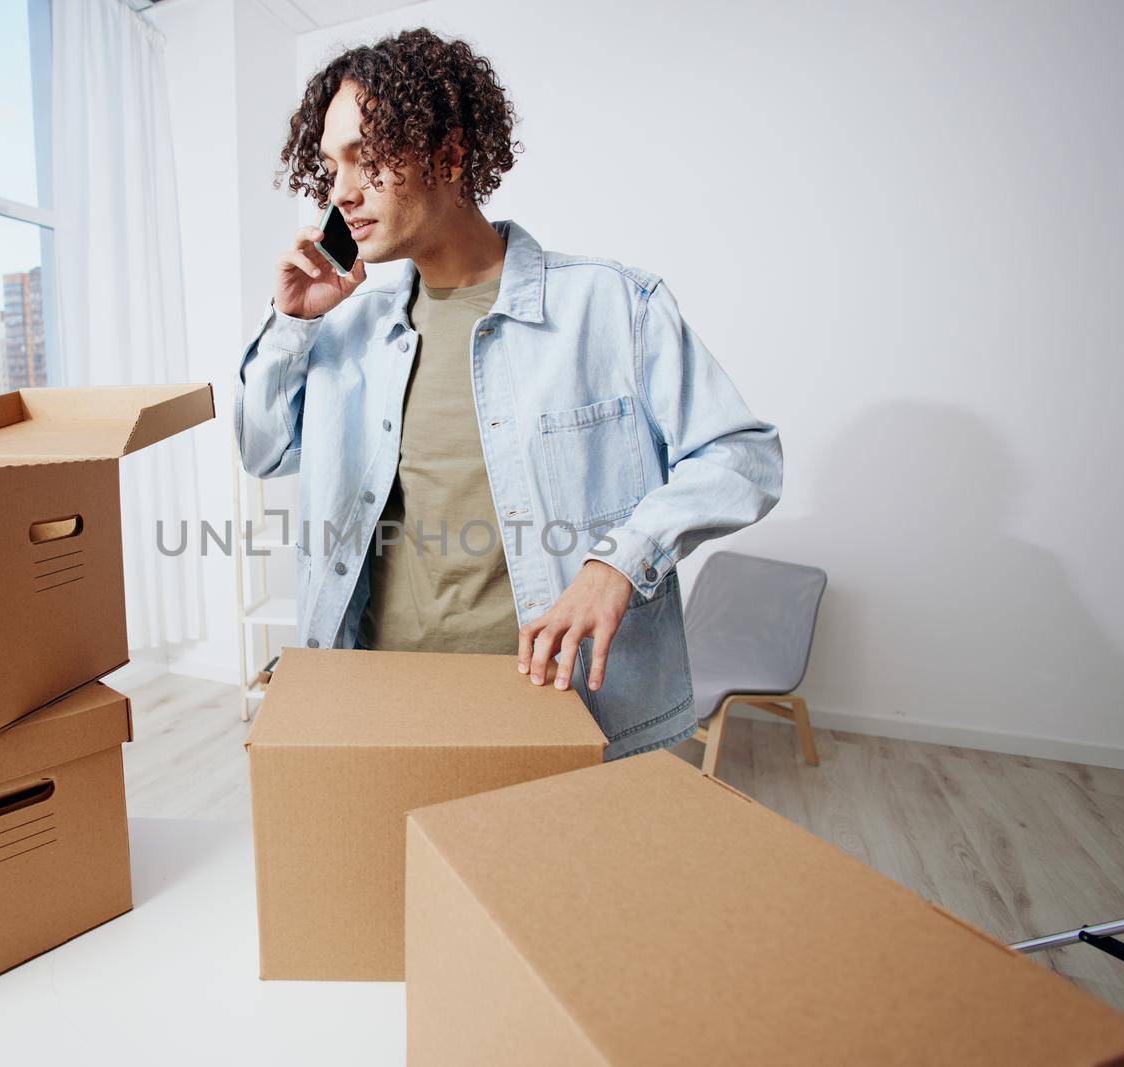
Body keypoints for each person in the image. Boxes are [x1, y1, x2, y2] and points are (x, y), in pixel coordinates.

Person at [235, 28, 783, 759]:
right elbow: (264, 450)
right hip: (383, 693)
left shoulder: (613, 307)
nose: (341, 192)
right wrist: (290, 326)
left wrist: (619, 561)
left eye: (367, 158)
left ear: (451, 156)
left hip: (561, 703)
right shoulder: (345, 326)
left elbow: (743, 455)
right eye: (332, 165)